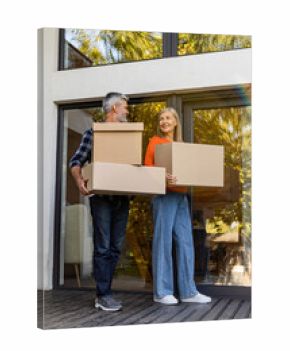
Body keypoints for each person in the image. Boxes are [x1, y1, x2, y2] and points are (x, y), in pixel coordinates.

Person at [69, 92, 130, 311]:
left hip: (123, 197)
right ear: (114, 108)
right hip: (102, 199)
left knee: (115, 247)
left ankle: (107, 291)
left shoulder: (128, 136)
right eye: (124, 107)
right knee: (103, 247)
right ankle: (103, 294)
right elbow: (76, 161)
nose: (126, 111)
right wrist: (79, 182)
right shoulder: (93, 133)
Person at [144, 107, 212, 305]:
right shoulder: (154, 143)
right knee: (163, 242)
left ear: (175, 122)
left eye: (168, 118)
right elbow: (146, 168)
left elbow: (191, 170)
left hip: (181, 196)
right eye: (161, 118)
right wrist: (161, 175)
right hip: (164, 196)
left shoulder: (182, 145)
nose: (164, 121)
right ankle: (162, 292)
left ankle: (188, 291)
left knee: (185, 242)